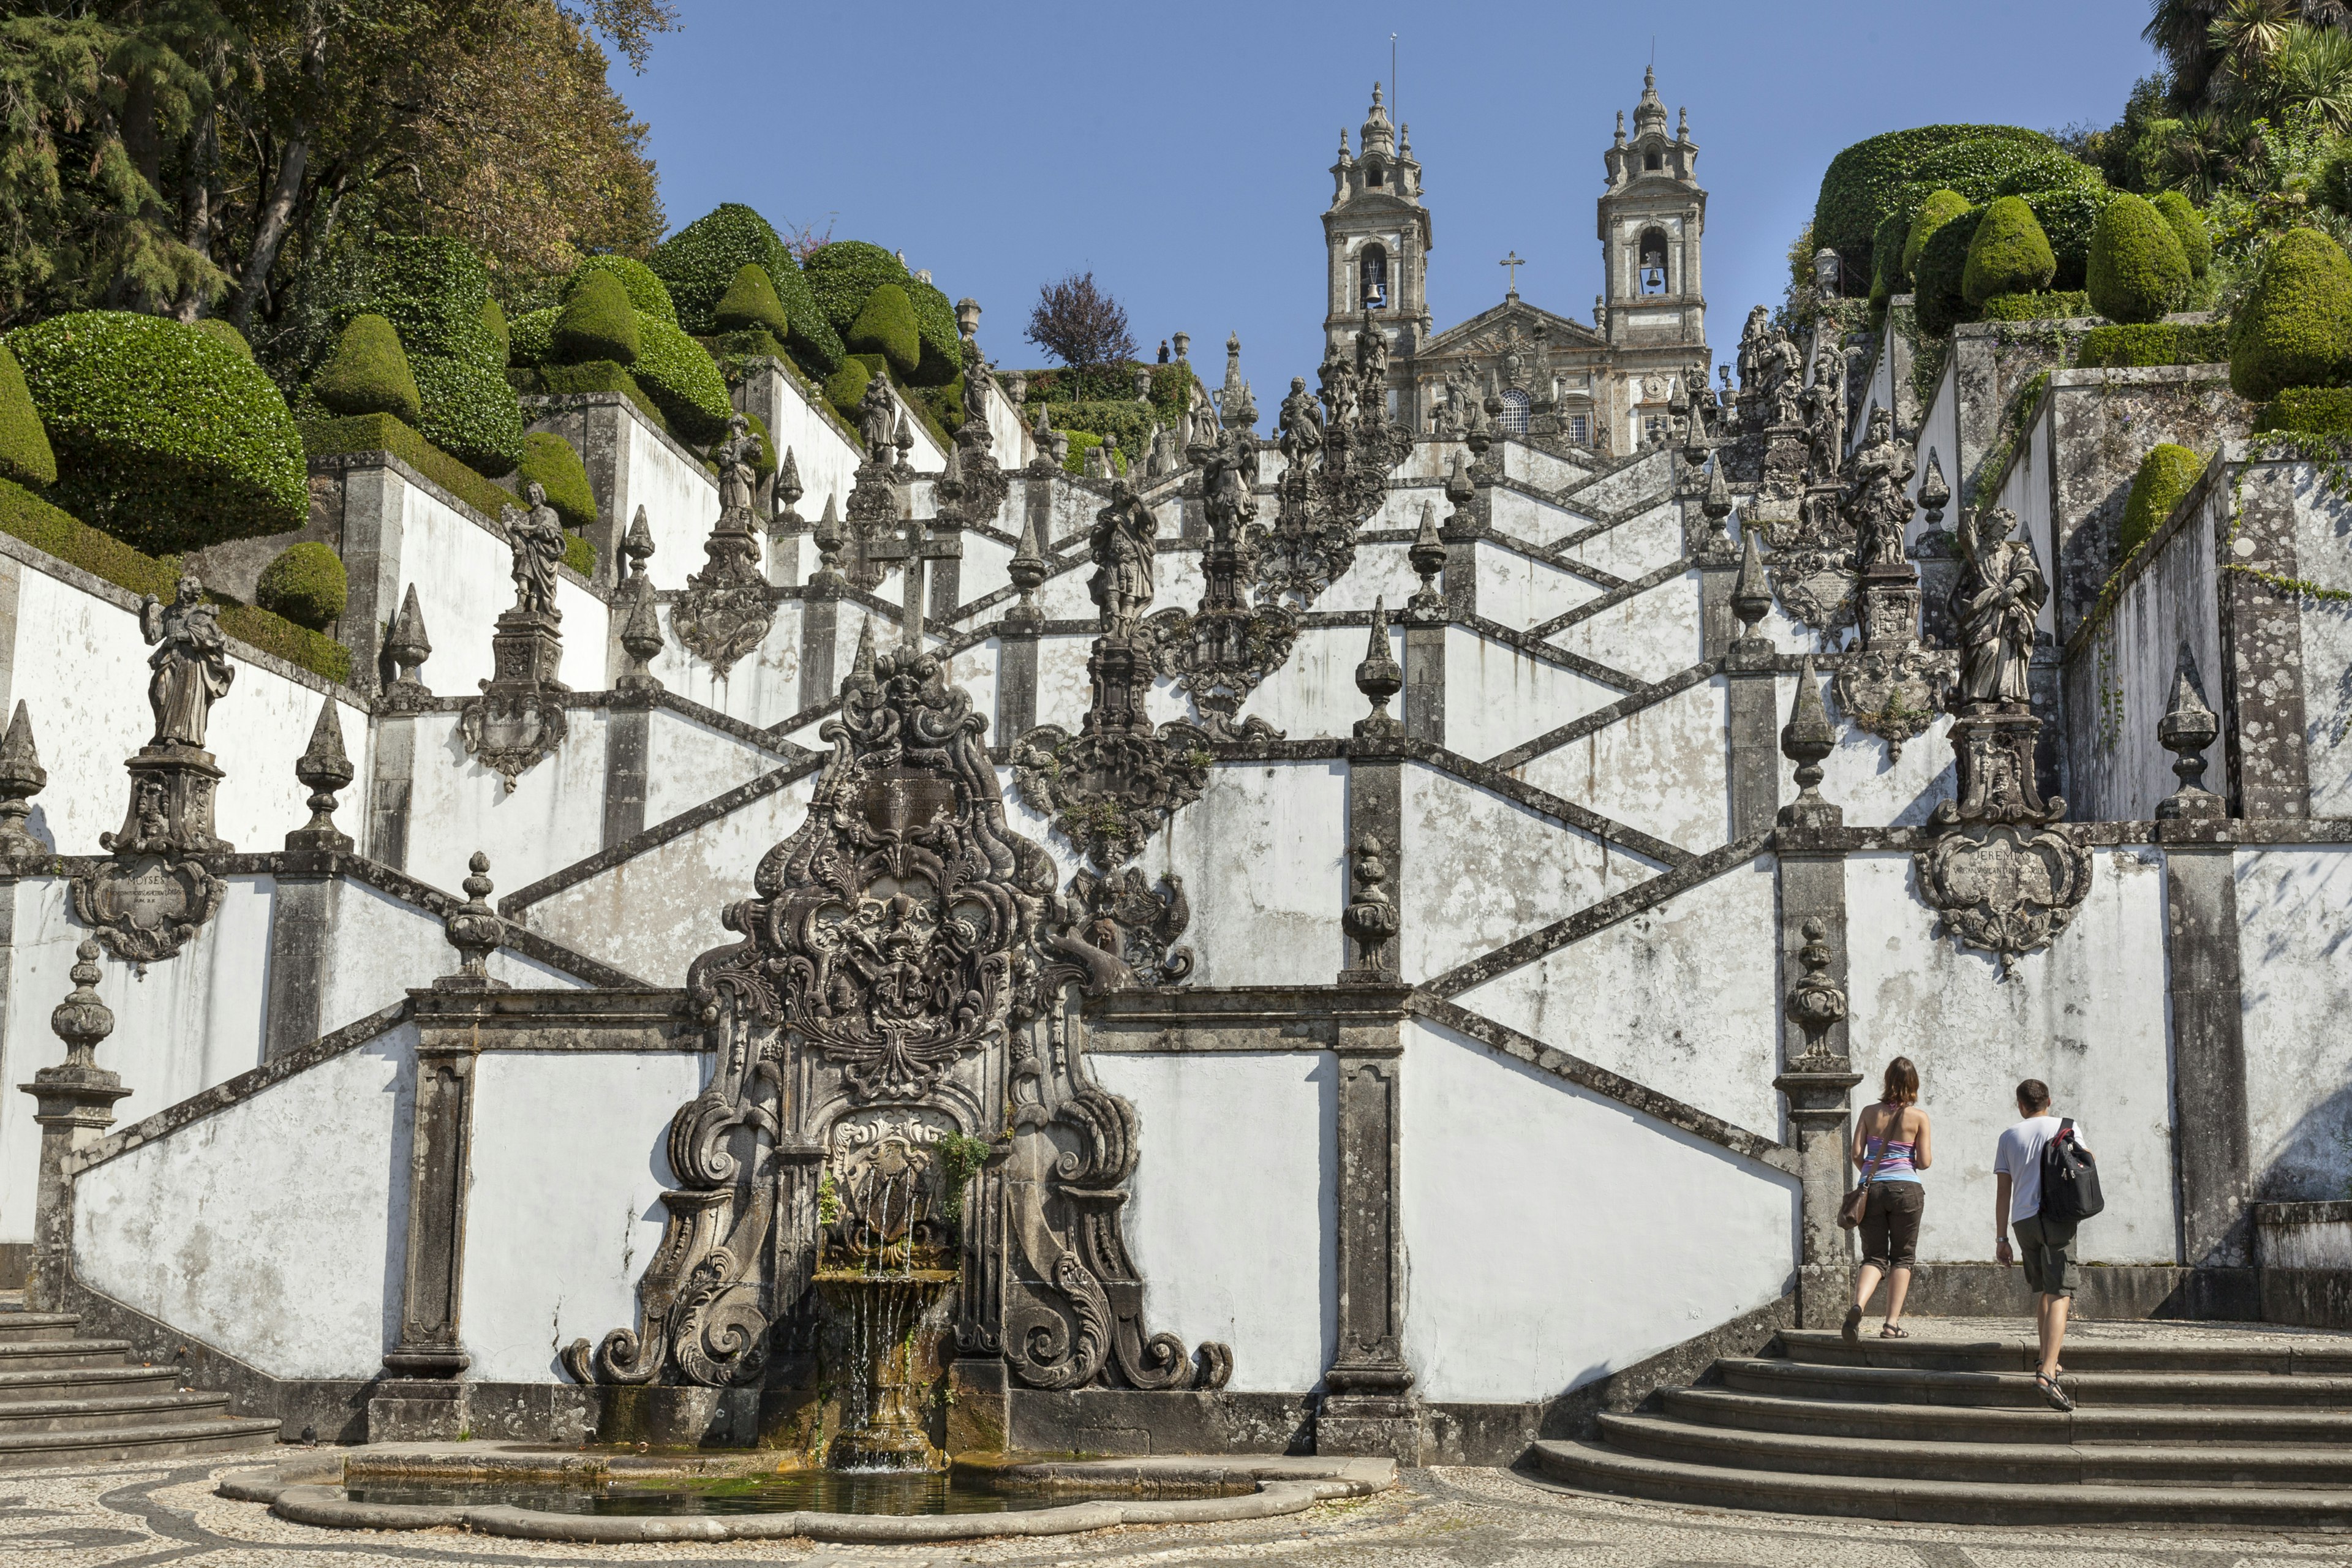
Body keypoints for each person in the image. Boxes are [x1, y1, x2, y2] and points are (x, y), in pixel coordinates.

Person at [1995, 1078, 2077, 1410]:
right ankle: (2047, 1373)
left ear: (2020, 1105)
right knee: (2061, 1292)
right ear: (2049, 1100)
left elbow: (2004, 1191)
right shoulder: (2066, 1127)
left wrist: (2001, 1239)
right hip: (2057, 1216)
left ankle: (2048, 1358)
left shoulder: (2009, 1136)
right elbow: (2087, 1161)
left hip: (2023, 1221)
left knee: (2044, 1289)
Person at [1843, 1057, 1932, 1342]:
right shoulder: (1918, 1117)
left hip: (1872, 1190)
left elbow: (1857, 1153)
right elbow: (1926, 1161)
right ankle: (1891, 1324)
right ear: (1913, 1083)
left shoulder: (1869, 1113)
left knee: (1874, 1257)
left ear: (1887, 1080)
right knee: (1902, 1258)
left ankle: (1859, 1305)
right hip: (1907, 1188)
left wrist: (1872, 1174)